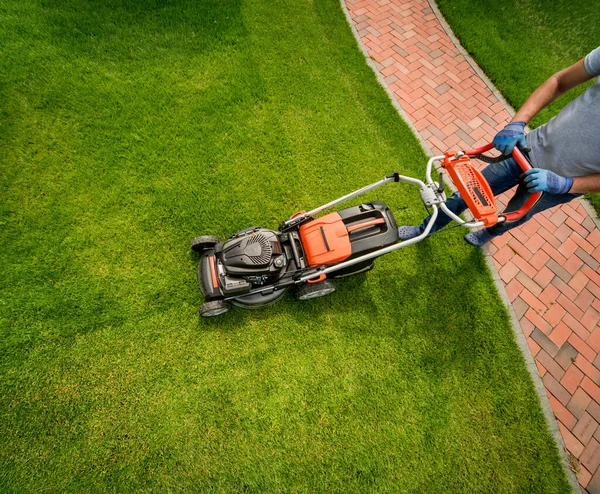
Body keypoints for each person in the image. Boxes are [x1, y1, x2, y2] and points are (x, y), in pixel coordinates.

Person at [398, 45, 600, 246]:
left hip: (560, 184)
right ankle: (424, 230)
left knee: (514, 215)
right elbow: (559, 81)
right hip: (527, 150)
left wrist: (565, 185)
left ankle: (490, 233)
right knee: (463, 196)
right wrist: (516, 123)